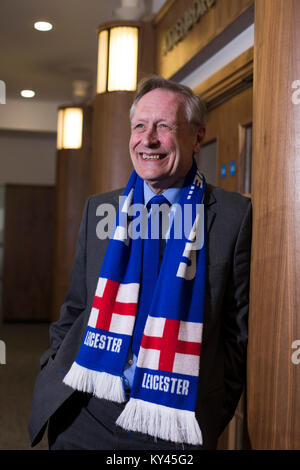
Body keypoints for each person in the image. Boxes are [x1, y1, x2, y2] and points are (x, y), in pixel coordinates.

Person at [28, 75, 252, 450]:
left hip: (171, 425)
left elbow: (237, 335)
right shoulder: (101, 209)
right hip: (87, 411)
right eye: (139, 126)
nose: (148, 140)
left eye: (164, 126)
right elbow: (77, 308)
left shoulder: (232, 216)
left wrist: (212, 411)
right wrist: (53, 365)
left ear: (197, 137)